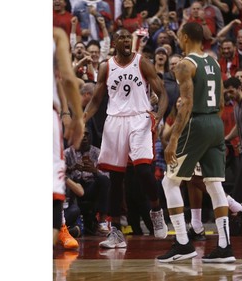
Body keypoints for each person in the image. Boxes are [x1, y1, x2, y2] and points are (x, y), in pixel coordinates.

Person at [157, 22, 236, 263]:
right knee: (214, 185)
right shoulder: (213, 61)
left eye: (179, 35)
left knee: (169, 182)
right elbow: (221, 100)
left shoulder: (184, 64)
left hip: (198, 123)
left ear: (183, 36)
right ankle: (224, 247)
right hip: (216, 122)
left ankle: (182, 242)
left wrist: (174, 139)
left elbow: (187, 104)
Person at [84, 28, 169, 248]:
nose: (126, 40)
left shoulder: (142, 62)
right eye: (121, 37)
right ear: (114, 42)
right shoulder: (106, 67)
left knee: (142, 169)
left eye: (128, 37)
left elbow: (163, 93)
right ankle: (116, 233)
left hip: (139, 118)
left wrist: (158, 116)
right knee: (115, 179)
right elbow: (95, 100)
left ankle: (156, 210)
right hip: (115, 120)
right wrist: (81, 120)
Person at [53, 27, 84, 245]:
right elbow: (68, 80)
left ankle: (64, 227)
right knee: (52, 187)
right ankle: (60, 227)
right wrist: (78, 117)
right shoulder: (55, 34)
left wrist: (65, 111)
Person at [64, 126, 111, 236]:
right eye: (81, 134)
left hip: (91, 187)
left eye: (86, 134)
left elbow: (107, 175)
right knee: (72, 181)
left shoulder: (98, 152)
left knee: (103, 179)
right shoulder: (67, 153)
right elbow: (58, 172)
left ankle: (102, 222)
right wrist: (72, 168)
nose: (84, 137)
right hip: (74, 188)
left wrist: (94, 171)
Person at [224, 76, 242, 153]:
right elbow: (238, 127)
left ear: (239, 88)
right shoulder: (236, 106)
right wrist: (225, 140)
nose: (229, 95)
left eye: (231, 91)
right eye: (227, 92)